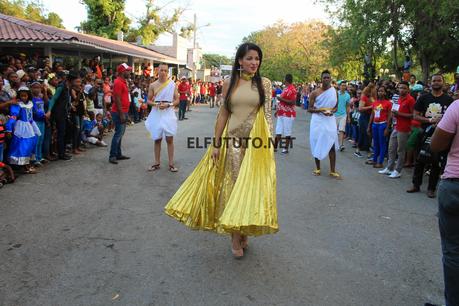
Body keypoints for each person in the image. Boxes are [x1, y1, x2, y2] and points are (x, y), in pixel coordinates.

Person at [164, 43, 277, 259]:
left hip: (255, 146)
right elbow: (224, 115)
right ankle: (235, 236)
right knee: (234, 186)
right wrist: (216, 144)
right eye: (250, 58)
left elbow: (268, 116)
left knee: (250, 187)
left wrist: (268, 146)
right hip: (232, 142)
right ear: (240, 61)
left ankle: (244, 229)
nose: (254, 63)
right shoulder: (229, 83)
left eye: (257, 59)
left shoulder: (265, 83)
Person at [430, 99, 459, 306]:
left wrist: (440, 125)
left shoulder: (456, 108)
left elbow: (436, 145)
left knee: (453, 250)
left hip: (455, 184)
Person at [407, 74, 454, 198]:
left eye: (439, 80)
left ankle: (431, 189)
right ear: (430, 83)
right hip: (424, 133)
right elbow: (415, 115)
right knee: (419, 160)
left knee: (436, 162)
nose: (436, 82)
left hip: (441, 135)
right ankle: (415, 185)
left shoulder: (449, 100)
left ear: (443, 83)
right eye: (434, 81)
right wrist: (429, 121)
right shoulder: (423, 97)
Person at [145, 63, 179, 172]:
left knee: (170, 139)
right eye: (161, 70)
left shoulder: (172, 84)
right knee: (157, 139)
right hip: (157, 113)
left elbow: (177, 100)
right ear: (157, 71)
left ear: (167, 72)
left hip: (168, 112)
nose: (163, 72)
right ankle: (157, 162)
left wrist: (168, 105)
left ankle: (171, 163)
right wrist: (156, 105)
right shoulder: (153, 85)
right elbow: (149, 100)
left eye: (165, 70)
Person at [379, 81, 415, 178]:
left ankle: (398, 170)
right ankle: (390, 168)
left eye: (404, 88)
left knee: (400, 150)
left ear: (408, 89)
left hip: (404, 128)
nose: (401, 89)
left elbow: (413, 115)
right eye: (400, 88)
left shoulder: (410, 100)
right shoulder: (399, 99)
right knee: (391, 148)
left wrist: (399, 114)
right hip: (396, 126)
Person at [308, 70, 340, 178]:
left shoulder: (334, 91)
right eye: (324, 77)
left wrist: (332, 112)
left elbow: (336, 107)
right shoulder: (314, 93)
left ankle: (332, 170)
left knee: (331, 143)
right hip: (317, 120)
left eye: (328, 77)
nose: (326, 79)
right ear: (321, 79)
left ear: (330, 79)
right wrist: (320, 111)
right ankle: (317, 168)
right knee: (316, 142)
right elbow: (310, 109)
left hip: (330, 119)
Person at [5, 86, 41, 174]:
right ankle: (23, 166)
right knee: (22, 145)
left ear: (28, 95)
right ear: (19, 96)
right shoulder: (17, 105)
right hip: (21, 126)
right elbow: (14, 116)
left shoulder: (31, 103)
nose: (23, 98)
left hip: (30, 125)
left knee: (31, 144)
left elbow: (35, 112)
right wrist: (9, 128)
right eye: (22, 96)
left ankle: (27, 163)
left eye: (25, 96)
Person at [108, 63, 132, 164]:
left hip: (123, 111)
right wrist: (122, 114)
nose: (130, 72)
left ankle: (118, 154)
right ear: (122, 71)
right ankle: (112, 156)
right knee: (118, 134)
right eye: (128, 70)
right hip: (119, 112)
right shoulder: (118, 82)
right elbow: (116, 99)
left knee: (120, 134)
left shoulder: (123, 81)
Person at [367, 85, 392, 168]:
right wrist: (369, 126)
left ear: (385, 93)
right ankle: (374, 160)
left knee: (382, 143)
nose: (380, 92)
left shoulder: (388, 103)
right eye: (379, 91)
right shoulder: (375, 103)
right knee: (376, 143)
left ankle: (380, 162)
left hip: (383, 124)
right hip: (375, 124)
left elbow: (389, 116)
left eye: (382, 91)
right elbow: (372, 115)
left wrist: (387, 128)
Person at [274, 74, 297, 153]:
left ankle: (285, 148)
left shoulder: (292, 89)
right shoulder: (285, 88)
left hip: (288, 114)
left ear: (286, 80)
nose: (283, 80)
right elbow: (281, 102)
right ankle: (275, 147)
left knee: (287, 131)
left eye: (284, 79)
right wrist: (277, 111)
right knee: (278, 130)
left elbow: (293, 102)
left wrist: (280, 98)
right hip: (281, 112)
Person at [336, 81, 351, 151]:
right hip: (334, 114)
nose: (343, 87)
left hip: (343, 115)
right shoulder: (336, 93)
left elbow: (348, 106)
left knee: (341, 130)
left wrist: (348, 117)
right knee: (333, 130)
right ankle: (332, 143)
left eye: (345, 86)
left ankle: (341, 145)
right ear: (339, 86)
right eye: (342, 85)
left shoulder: (348, 95)